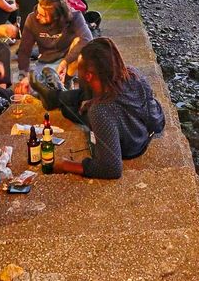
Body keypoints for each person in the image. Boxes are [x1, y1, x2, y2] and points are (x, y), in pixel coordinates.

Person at [44, 38, 165, 180]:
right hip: (137, 138)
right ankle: (56, 93)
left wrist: (65, 165)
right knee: (82, 97)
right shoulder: (134, 75)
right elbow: (156, 123)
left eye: (79, 65)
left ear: (88, 75)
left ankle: (55, 92)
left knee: (67, 109)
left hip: (119, 138)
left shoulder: (100, 111)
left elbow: (111, 169)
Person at [15, 0, 92, 82]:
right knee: (31, 91)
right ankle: (58, 85)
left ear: (57, 17)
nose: (37, 16)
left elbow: (87, 39)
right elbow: (24, 50)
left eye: (42, 15)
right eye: (38, 11)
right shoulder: (32, 18)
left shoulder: (75, 16)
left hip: (67, 61)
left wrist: (65, 62)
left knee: (81, 45)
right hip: (45, 63)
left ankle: (66, 81)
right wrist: (24, 76)